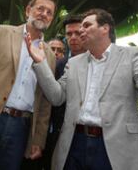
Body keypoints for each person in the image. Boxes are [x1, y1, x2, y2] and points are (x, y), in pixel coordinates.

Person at [26, 8, 138, 170]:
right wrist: (40, 63)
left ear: (105, 28)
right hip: (74, 143)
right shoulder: (75, 63)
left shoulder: (131, 56)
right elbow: (57, 97)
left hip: (114, 147)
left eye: (86, 25)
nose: (80, 30)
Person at [0, 0, 56, 170]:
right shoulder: (2, 32)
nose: (44, 14)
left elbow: (45, 101)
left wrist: (38, 139)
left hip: (21, 127)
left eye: (49, 12)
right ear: (28, 10)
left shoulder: (50, 55)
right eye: (40, 8)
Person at [41, 14, 86, 170]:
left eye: (78, 33)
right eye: (69, 34)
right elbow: (48, 99)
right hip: (59, 134)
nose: (73, 37)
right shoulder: (58, 65)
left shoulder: (100, 62)